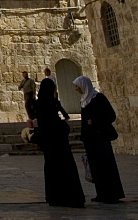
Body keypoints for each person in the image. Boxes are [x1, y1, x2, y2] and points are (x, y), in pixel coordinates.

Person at [34, 78, 85, 208]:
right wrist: (64, 126)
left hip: (48, 143)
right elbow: (54, 123)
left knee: (52, 170)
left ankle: (55, 197)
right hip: (58, 143)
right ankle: (70, 197)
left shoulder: (38, 104)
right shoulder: (51, 103)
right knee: (65, 169)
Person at [75, 76, 125, 204]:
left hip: (101, 139)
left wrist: (95, 121)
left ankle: (112, 194)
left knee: (106, 166)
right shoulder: (84, 100)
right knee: (96, 167)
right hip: (91, 140)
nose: (76, 89)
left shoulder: (98, 98)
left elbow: (110, 115)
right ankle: (101, 193)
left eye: (77, 86)